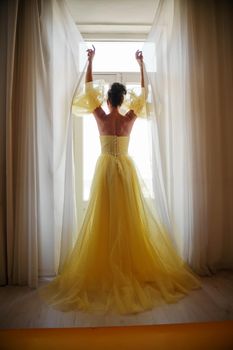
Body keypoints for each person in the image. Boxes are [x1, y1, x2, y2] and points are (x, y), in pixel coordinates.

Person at [39, 46, 200, 314]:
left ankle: (112, 268)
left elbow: (89, 91)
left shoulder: (101, 116)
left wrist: (90, 60)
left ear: (107, 100)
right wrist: (141, 65)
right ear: (122, 99)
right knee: (128, 221)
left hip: (104, 171)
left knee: (105, 220)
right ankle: (125, 267)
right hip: (126, 171)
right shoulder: (128, 119)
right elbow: (145, 94)